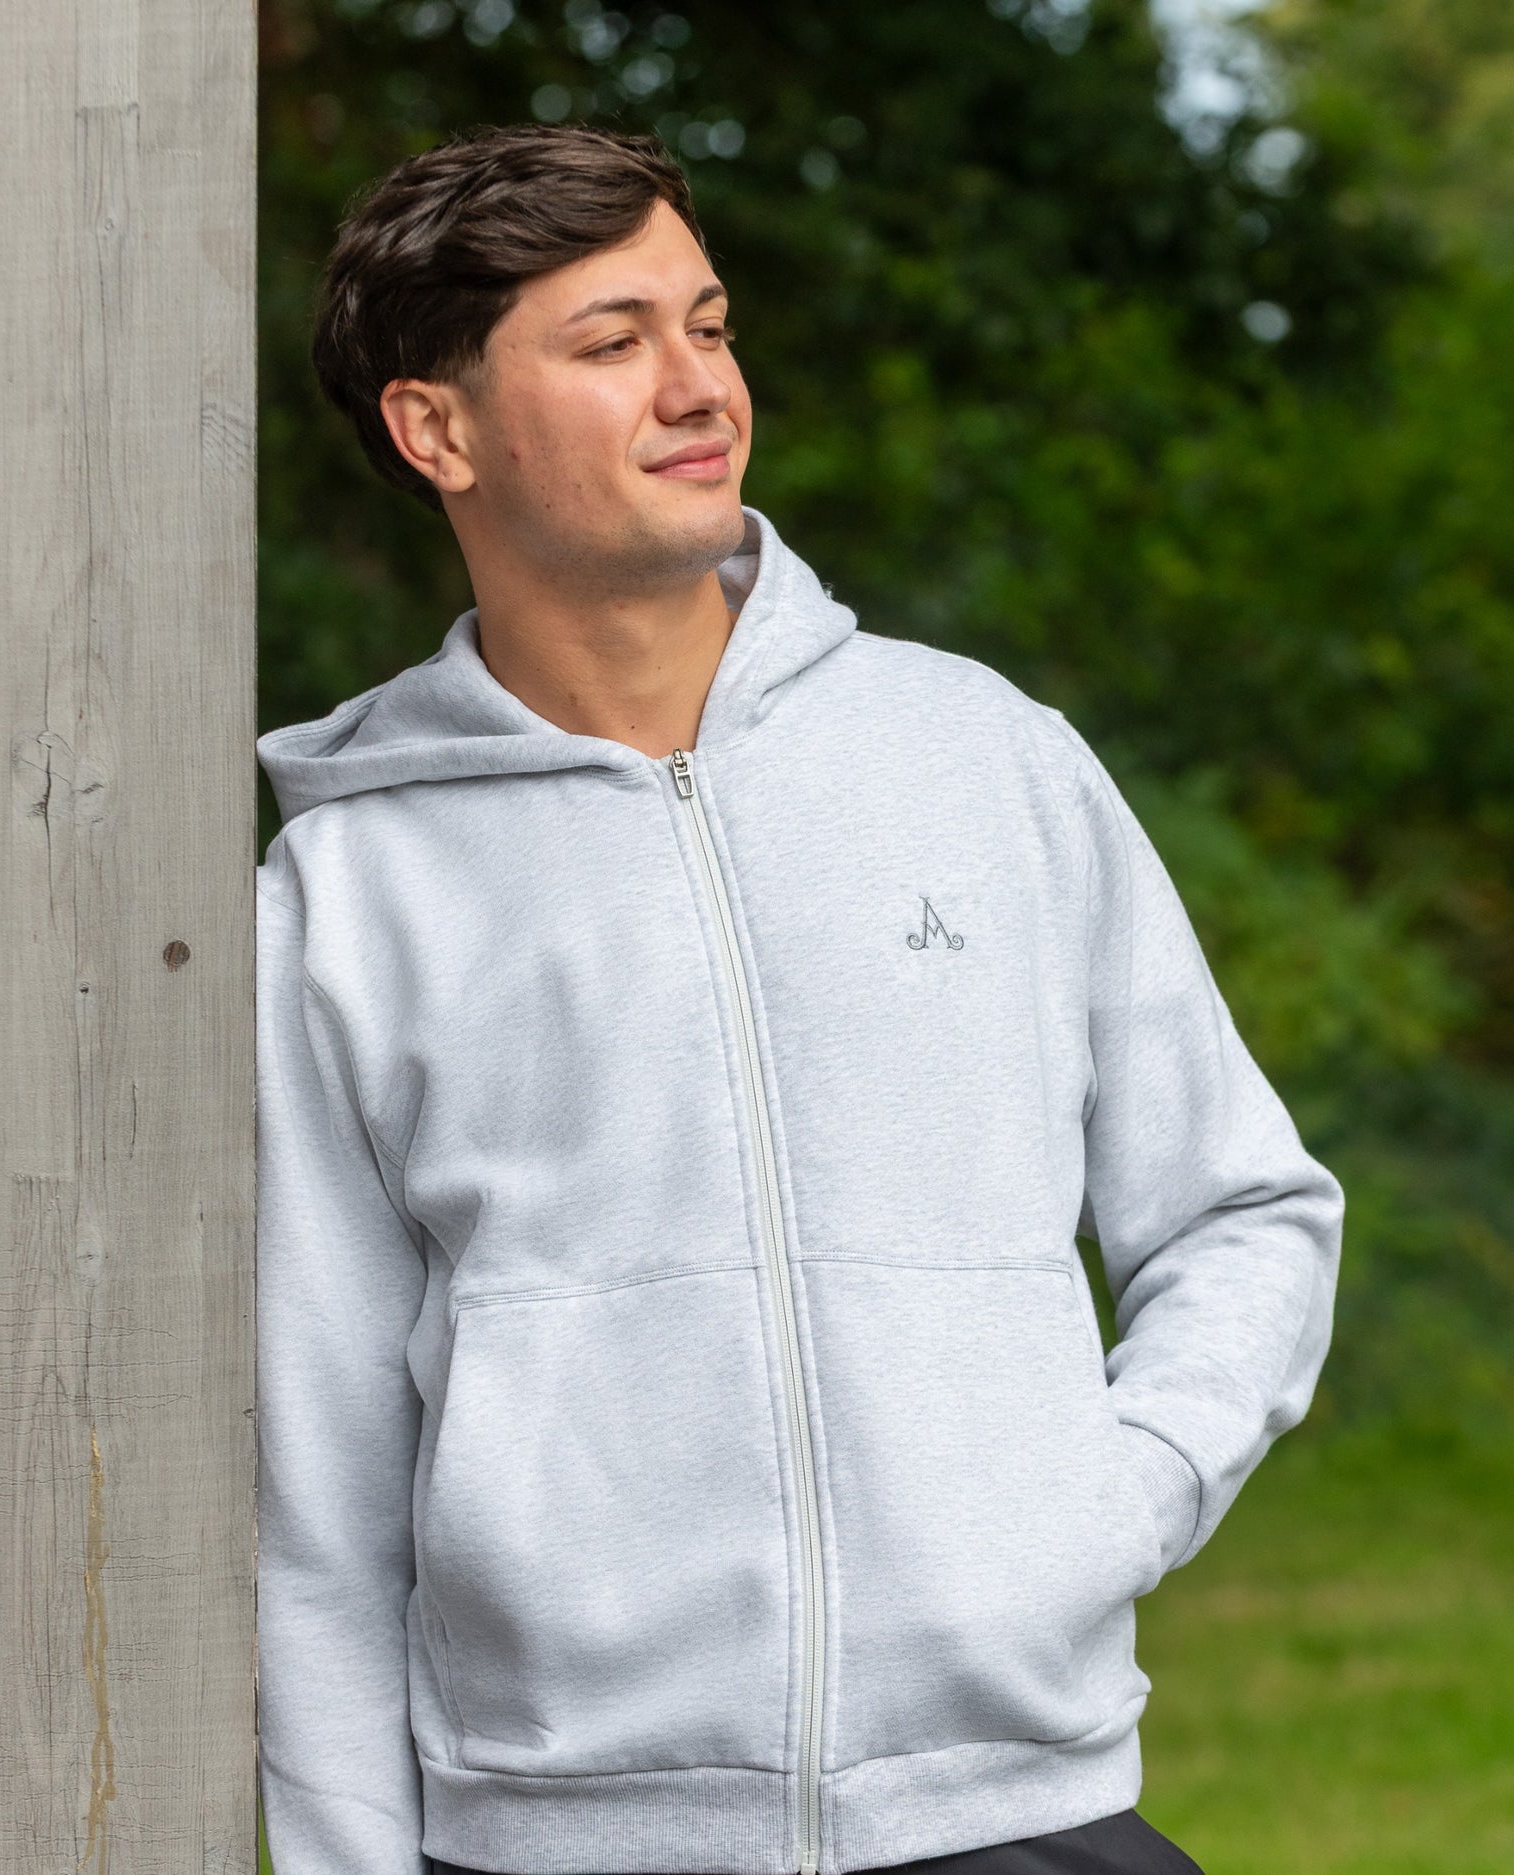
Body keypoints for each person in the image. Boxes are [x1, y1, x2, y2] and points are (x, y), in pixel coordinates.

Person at [254, 123, 1343, 1875]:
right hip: (563, 1840)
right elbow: (317, 1486)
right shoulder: (351, 895)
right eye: (612, 343)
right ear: (434, 428)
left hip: (1018, 1814)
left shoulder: (983, 760)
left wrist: (1109, 1499)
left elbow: (1243, 1211)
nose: (699, 387)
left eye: (709, 324)